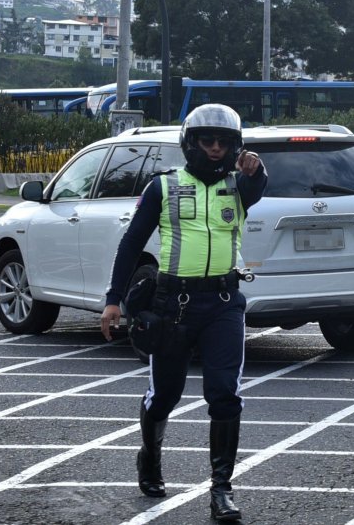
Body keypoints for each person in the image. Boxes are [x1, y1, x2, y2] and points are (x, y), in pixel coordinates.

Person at [99, 103, 266, 523]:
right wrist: (113, 300)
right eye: (206, 141)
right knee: (165, 396)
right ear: (190, 144)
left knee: (225, 395)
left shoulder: (239, 186)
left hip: (224, 304)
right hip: (173, 306)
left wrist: (256, 168)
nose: (214, 148)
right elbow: (131, 244)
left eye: (223, 142)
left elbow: (259, 183)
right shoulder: (163, 187)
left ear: (234, 146)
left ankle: (221, 489)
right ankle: (150, 456)